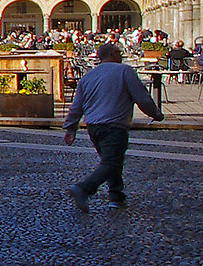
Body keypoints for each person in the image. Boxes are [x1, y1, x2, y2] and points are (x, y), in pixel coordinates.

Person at [61, 42, 162, 214]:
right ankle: (84, 188)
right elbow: (141, 97)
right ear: (114, 53)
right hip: (114, 124)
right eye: (120, 52)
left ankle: (116, 196)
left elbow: (76, 105)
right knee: (111, 162)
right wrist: (156, 114)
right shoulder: (124, 71)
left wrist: (71, 128)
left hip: (93, 126)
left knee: (111, 161)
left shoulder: (88, 76)